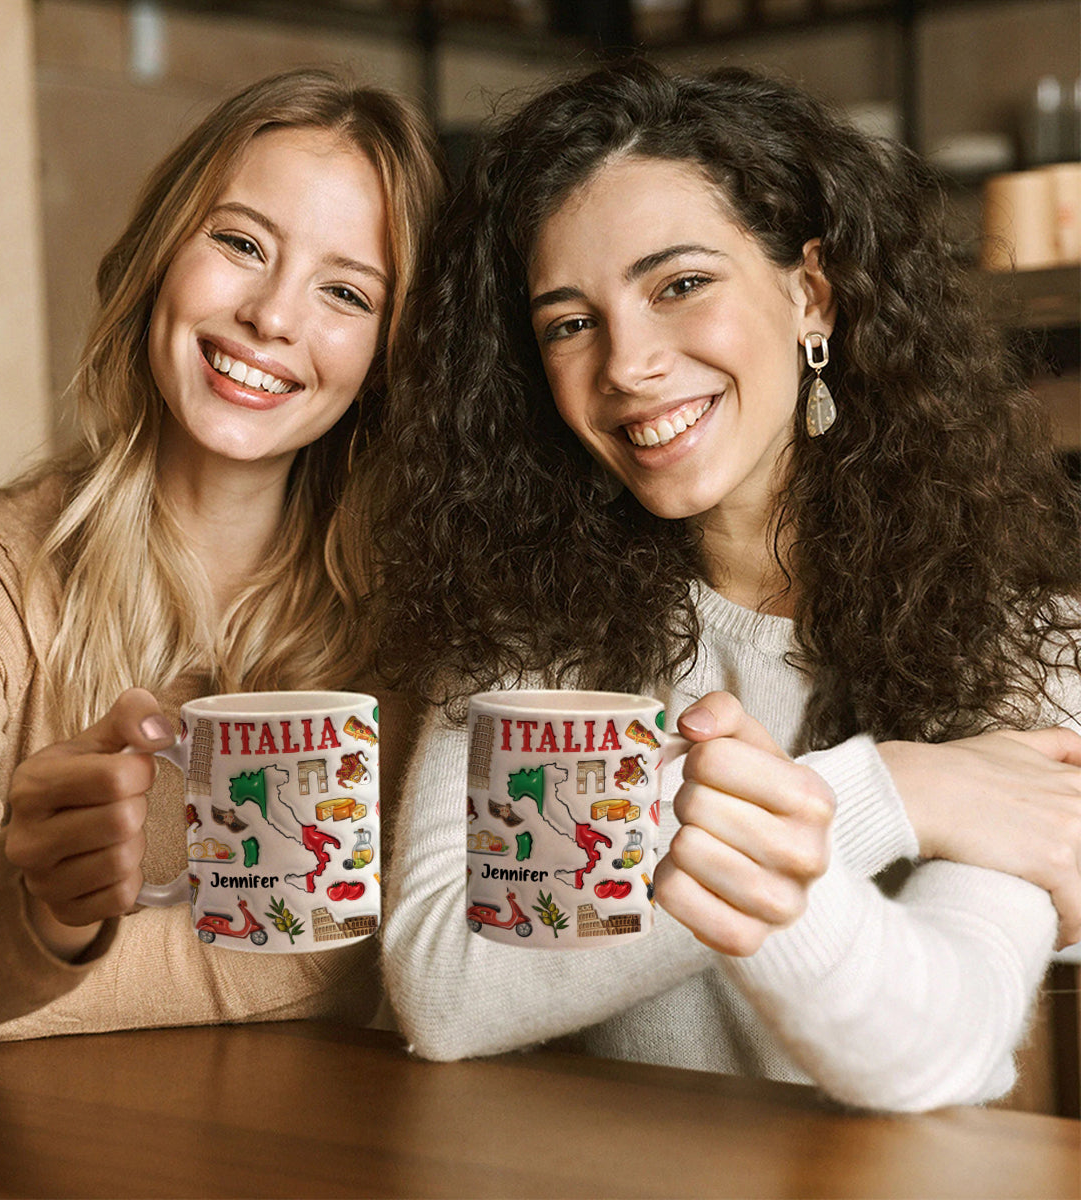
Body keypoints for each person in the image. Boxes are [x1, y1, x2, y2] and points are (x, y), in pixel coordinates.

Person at [370, 60, 1081, 1111]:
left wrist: (763, 818)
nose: (627, 363)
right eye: (570, 322)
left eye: (680, 285)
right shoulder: (525, 630)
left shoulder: (1025, 637)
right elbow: (443, 988)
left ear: (811, 295)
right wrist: (886, 793)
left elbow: (936, 1046)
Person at [0, 68, 444, 1048]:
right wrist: (39, 911)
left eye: (346, 292)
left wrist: (22, 974)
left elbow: (391, 946)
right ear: (159, 256)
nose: (272, 315)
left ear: (389, 355)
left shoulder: (420, 620)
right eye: (240, 243)